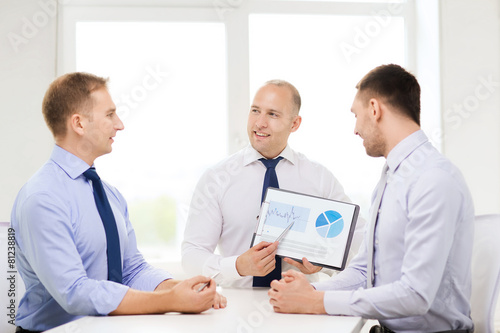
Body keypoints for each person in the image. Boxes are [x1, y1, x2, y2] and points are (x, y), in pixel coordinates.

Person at [11, 72, 226, 333]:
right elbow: (75, 292)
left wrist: (182, 289)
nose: (120, 124)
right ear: (78, 124)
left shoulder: (109, 195)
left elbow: (132, 270)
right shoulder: (42, 198)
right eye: (110, 115)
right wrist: (169, 300)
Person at [268, 64, 474, 333]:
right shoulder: (390, 178)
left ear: (375, 110)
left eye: (356, 115)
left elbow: (415, 295)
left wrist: (318, 301)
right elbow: (364, 272)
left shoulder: (433, 180)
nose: (355, 129)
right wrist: (306, 291)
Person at [182, 79, 363, 288]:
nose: (259, 123)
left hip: (302, 306)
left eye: (272, 114)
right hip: (235, 309)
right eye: (255, 111)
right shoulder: (217, 178)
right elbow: (192, 255)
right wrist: (238, 266)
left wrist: (323, 265)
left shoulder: (319, 178)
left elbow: (358, 244)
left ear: (294, 124)